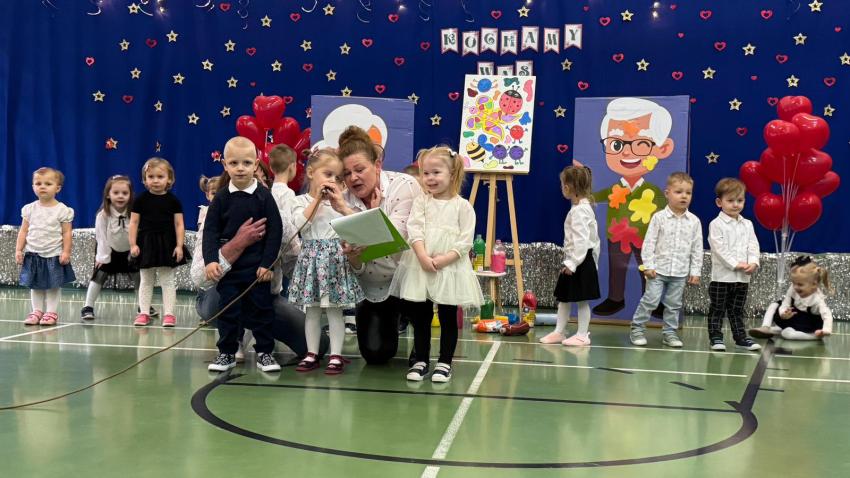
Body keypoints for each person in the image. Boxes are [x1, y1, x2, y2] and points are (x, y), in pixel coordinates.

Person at [328, 126, 422, 364]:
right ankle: (390, 320)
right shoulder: (341, 199)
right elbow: (354, 263)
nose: (353, 178)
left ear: (377, 165)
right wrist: (354, 259)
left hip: (407, 278)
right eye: (347, 174)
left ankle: (417, 332)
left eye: (360, 170)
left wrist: (351, 212)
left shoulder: (404, 186)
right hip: (373, 284)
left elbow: (394, 243)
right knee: (376, 354)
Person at [389, 146, 483, 382]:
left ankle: (445, 362)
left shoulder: (463, 206)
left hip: (449, 268)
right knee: (420, 317)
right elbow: (414, 229)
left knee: (448, 316)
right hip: (421, 265)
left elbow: (465, 241)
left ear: (452, 174)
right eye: (425, 173)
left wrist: (445, 259)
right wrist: (422, 256)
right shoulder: (421, 202)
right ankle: (421, 359)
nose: (429, 178)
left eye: (436, 173)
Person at [203, 137, 284, 373]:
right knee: (228, 312)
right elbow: (210, 232)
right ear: (225, 165)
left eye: (247, 163)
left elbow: (275, 231)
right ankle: (226, 353)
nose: (240, 168)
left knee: (262, 311)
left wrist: (267, 264)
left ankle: (265, 353)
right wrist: (211, 261)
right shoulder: (221, 198)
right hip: (229, 271)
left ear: (256, 164)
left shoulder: (264, 196)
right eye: (234, 163)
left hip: (257, 270)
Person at [588, 98, 674, 317]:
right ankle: (615, 299)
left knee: (648, 270)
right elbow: (597, 196)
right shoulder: (615, 189)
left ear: (662, 149)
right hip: (616, 235)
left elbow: (667, 209)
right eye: (616, 144)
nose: (627, 153)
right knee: (617, 269)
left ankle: (652, 301)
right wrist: (583, 192)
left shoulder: (654, 191)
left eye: (641, 144)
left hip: (647, 237)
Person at [287, 148, 364, 375]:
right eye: (328, 174)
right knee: (311, 310)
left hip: (334, 261)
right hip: (310, 261)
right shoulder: (300, 201)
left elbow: (357, 224)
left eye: (337, 178)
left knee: (334, 310)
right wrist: (318, 200)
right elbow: (299, 224)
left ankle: (336, 355)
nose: (332, 181)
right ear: (311, 173)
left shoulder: (340, 202)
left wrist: (339, 203)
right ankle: (312, 353)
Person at [629, 172, 702, 348]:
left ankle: (669, 333)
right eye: (679, 192)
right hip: (657, 270)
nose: (684, 196)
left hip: (680, 272)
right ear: (667, 193)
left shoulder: (694, 221)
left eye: (688, 192)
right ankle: (637, 328)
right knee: (651, 300)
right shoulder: (659, 218)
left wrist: (695, 271)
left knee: (673, 304)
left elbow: (697, 248)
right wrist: (648, 266)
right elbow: (649, 243)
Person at [539, 165, 601, 347]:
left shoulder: (580, 211)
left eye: (562, 184)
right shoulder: (580, 208)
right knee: (564, 298)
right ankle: (559, 331)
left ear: (567, 187)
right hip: (575, 260)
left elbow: (582, 241)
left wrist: (573, 263)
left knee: (581, 300)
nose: (561, 188)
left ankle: (582, 335)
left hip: (579, 261)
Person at [81, 175, 154, 321]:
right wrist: (103, 257)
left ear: (130, 195)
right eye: (116, 193)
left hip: (131, 251)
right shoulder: (103, 215)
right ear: (108, 195)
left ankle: (144, 306)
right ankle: (88, 307)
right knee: (98, 277)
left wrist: (137, 250)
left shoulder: (135, 213)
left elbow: (140, 232)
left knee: (139, 278)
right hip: (110, 251)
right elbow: (101, 237)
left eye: (125, 193)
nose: (120, 196)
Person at [129, 158, 188, 327]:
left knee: (167, 280)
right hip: (146, 243)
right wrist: (133, 244)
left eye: (160, 176)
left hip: (167, 244)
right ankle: (144, 313)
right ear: (145, 179)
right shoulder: (140, 200)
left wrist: (179, 245)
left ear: (169, 179)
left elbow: (179, 224)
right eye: (151, 176)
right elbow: (133, 223)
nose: (155, 180)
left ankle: (169, 314)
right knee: (146, 280)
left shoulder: (173, 201)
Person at [706, 178, 761, 351]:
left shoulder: (747, 224)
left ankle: (740, 338)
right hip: (722, 278)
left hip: (742, 278)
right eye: (730, 200)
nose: (736, 204)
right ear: (719, 202)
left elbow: (753, 245)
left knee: (737, 310)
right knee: (718, 308)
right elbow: (719, 249)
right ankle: (716, 337)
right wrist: (736, 264)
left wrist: (753, 262)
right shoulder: (716, 224)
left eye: (740, 200)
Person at [17, 167, 75, 326]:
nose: (42, 186)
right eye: (38, 183)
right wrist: (19, 249)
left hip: (53, 254)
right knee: (35, 285)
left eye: (48, 184)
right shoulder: (29, 209)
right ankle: (37, 311)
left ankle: (51, 312)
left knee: (53, 285)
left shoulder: (62, 210)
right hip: (33, 253)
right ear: (33, 187)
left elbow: (67, 233)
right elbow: (23, 231)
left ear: (58, 188)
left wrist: (66, 251)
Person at [749, 256, 833, 341]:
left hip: (807, 325)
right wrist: (783, 313)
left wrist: (826, 330)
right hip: (793, 318)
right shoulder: (793, 289)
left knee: (786, 333)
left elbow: (827, 315)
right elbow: (786, 303)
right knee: (774, 305)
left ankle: (814, 336)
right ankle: (765, 327)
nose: (795, 287)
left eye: (800, 284)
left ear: (814, 284)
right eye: (793, 283)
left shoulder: (817, 300)